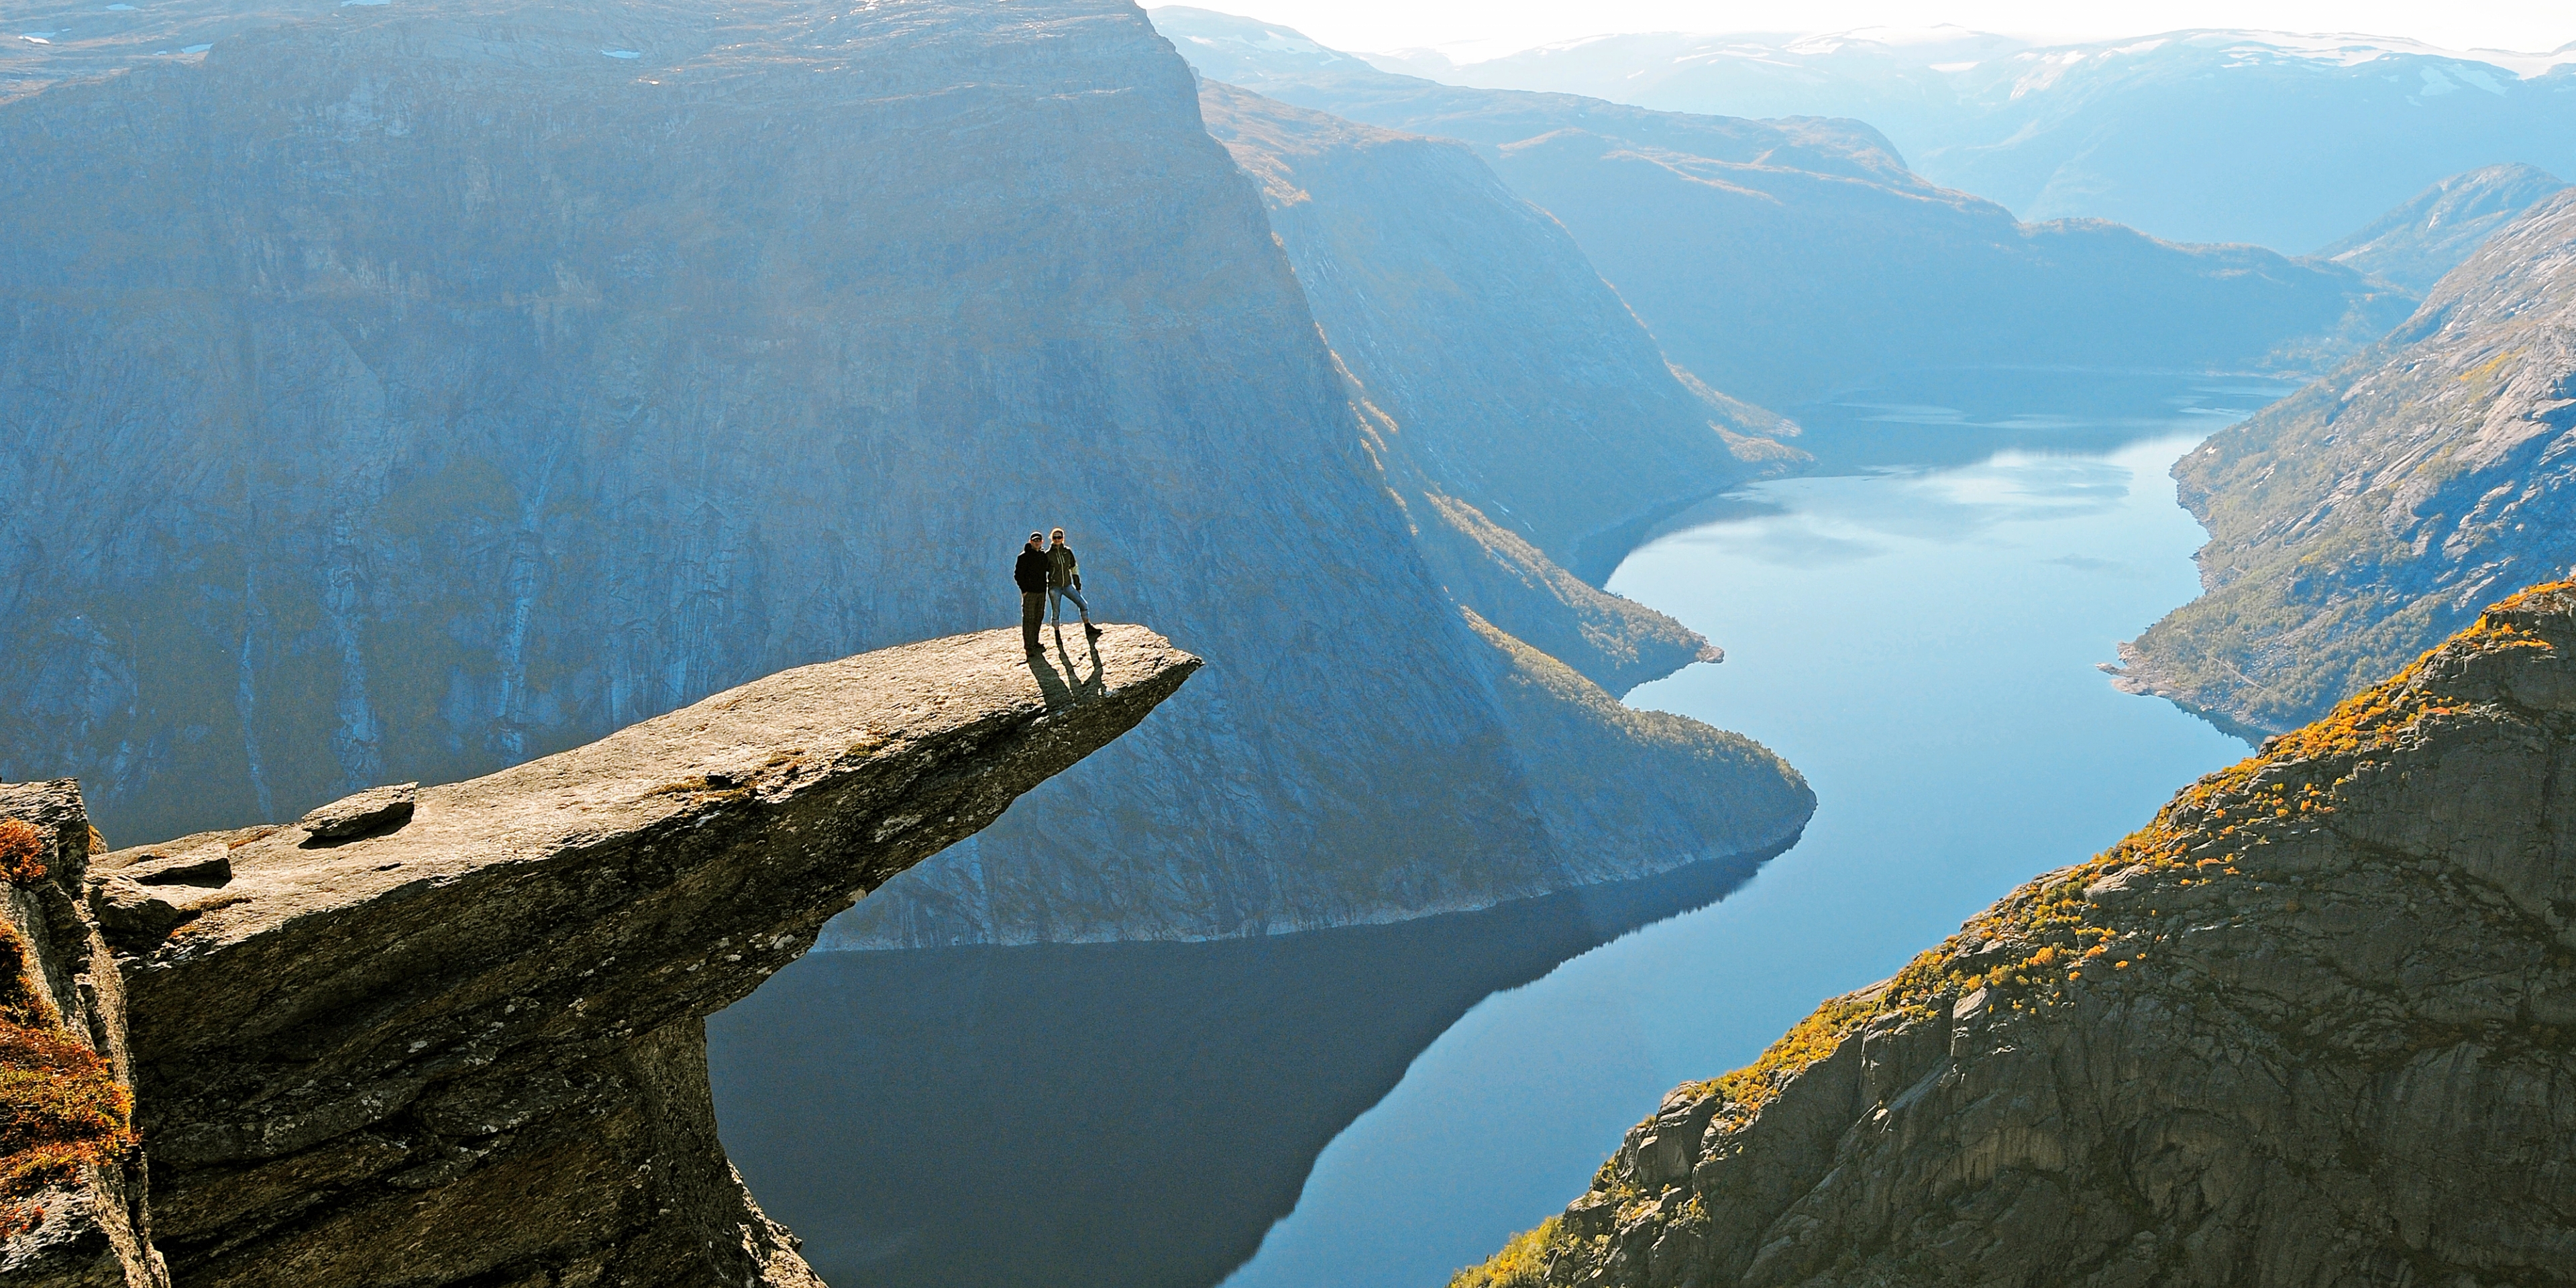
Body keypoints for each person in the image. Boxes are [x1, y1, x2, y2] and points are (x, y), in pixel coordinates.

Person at [1046, 527, 1102, 638]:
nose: (1057, 539)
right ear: (1052, 539)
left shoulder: (1067, 552)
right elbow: (1042, 570)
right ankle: (1057, 633)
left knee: (1083, 604)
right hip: (1055, 587)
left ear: (1063, 538)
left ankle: (1088, 627)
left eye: (1059, 537)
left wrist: (1077, 584)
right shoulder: (1048, 554)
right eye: (1055, 537)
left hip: (1067, 585)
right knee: (1056, 611)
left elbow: (1074, 568)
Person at [1014, 532, 1050, 653]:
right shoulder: (1023, 557)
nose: (1037, 542)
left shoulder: (1043, 556)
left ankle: (1035, 642)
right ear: (1030, 542)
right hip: (1030, 593)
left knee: (1038, 617)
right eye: (1035, 541)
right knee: (1029, 618)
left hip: (1041, 591)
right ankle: (1029, 646)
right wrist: (1024, 590)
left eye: (1039, 540)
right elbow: (1018, 575)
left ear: (1042, 542)